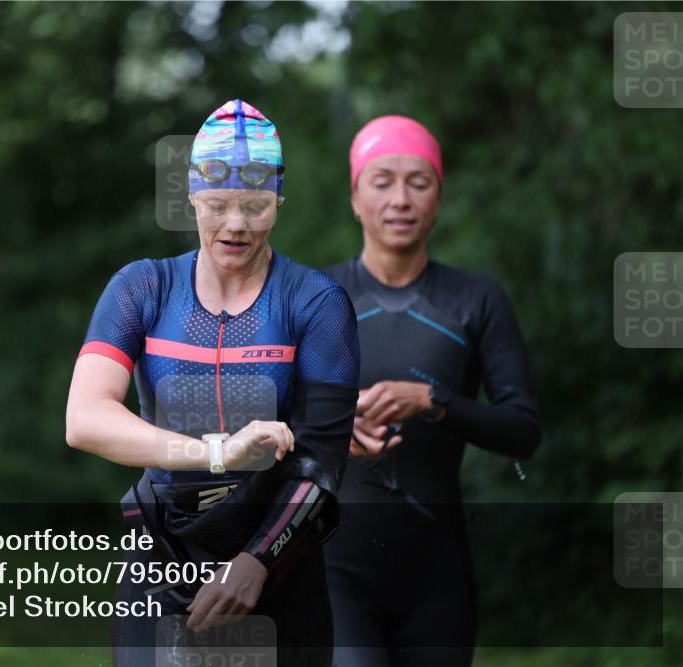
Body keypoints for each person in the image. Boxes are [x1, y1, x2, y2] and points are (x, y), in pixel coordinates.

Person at [66, 99, 361, 666]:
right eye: (219, 204)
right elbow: (85, 420)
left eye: (254, 205)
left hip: (277, 563)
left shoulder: (317, 302)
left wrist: (259, 560)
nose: (235, 224)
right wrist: (216, 453)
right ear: (191, 196)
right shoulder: (141, 289)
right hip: (161, 560)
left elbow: (322, 460)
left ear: (278, 199)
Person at [322, 115, 542, 667]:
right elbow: (266, 418)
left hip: (436, 574)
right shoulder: (315, 298)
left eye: (419, 182)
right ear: (354, 197)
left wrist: (432, 402)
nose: (401, 198)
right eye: (382, 181)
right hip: (332, 566)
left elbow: (523, 430)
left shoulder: (478, 300)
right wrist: (333, 425)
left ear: (438, 197)